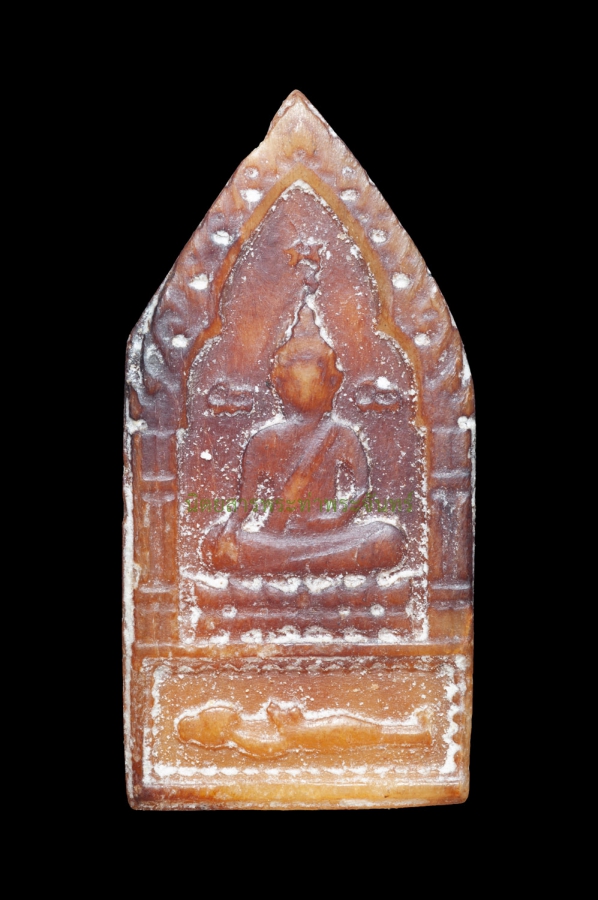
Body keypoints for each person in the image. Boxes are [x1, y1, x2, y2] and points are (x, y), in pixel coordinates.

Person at [203, 305, 405, 576]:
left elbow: (360, 492)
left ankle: (292, 561)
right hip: (278, 539)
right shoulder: (264, 440)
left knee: (388, 538)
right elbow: (245, 505)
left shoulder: (341, 435)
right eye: (295, 383)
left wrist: (335, 519)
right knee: (214, 540)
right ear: (278, 384)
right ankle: (306, 561)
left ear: (332, 383)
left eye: (315, 382)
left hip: (331, 537)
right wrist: (229, 532)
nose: (304, 391)